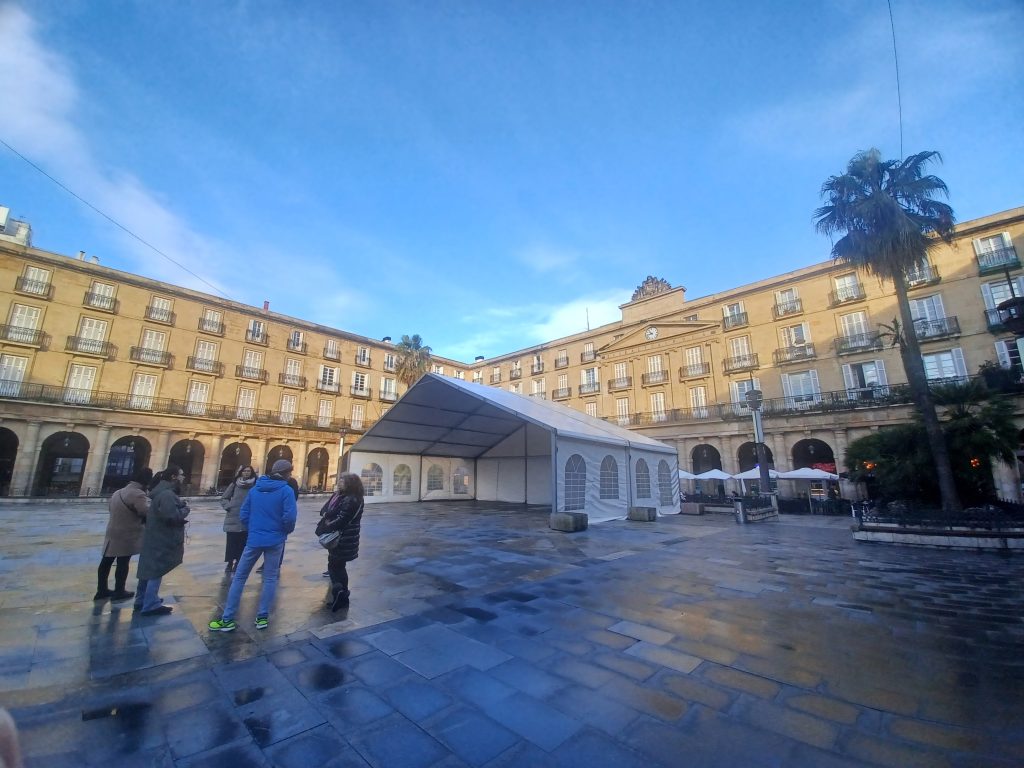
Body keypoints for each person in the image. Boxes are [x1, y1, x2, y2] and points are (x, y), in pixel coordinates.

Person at [209, 460, 297, 632]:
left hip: (254, 539)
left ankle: (227, 618)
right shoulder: (286, 490)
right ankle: (262, 617)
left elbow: (244, 513)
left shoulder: (255, 489)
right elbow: (290, 517)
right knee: (270, 578)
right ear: (286, 473)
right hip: (275, 540)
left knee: (240, 577)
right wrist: (283, 532)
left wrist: (253, 529)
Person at [134, 464, 190, 616]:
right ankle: (150, 604)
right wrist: (185, 509)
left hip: (153, 535)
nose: (183, 477)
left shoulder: (161, 493)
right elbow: (172, 516)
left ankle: (140, 600)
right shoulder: (167, 495)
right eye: (181, 474)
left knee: (147, 570)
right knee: (155, 571)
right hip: (161, 537)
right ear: (173, 477)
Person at [94, 467, 153, 601]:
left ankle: (101, 590)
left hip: (112, 531)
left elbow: (110, 508)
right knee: (122, 562)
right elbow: (144, 512)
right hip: (126, 533)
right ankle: (119, 590)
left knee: (106, 561)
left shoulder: (118, 492)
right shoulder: (138, 494)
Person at [319, 472, 365, 612]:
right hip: (346, 538)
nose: (339, 483)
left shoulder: (351, 500)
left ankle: (340, 591)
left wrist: (328, 525)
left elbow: (342, 520)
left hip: (343, 539)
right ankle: (342, 594)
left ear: (350, 484)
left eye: (342, 481)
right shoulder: (347, 497)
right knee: (338, 566)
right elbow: (326, 511)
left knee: (334, 566)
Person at [219, 465, 256, 572]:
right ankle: (230, 562)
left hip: (247, 517)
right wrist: (228, 506)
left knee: (243, 542)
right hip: (233, 516)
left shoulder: (254, 485)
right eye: (244, 471)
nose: (246, 473)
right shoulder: (234, 484)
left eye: (248, 471)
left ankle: (238, 562)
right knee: (231, 541)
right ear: (240, 473)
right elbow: (224, 498)